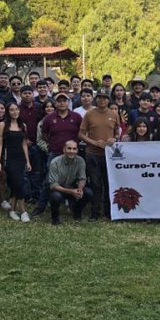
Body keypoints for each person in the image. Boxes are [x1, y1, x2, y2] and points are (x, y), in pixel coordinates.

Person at [32, 92, 82, 217]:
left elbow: (81, 133)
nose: (62, 103)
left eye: (64, 101)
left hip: (73, 155)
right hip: (55, 154)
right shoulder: (49, 118)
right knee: (49, 181)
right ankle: (40, 207)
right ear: (55, 103)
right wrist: (53, 144)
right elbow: (44, 134)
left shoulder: (76, 117)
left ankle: (73, 207)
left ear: (68, 102)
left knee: (74, 180)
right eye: (59, 101)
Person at [79, 88, 120, 221]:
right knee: (96, 184)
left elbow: (118, 132)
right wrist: (94, 143)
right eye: (100, 97)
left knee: (109, 183)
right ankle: (95, 212)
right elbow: (80, 134)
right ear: (96, 99)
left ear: (108, 100)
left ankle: (109, 212)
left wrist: (114, 139)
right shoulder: (89, 114)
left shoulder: (114, 114)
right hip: (92, 154)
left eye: (105, 98)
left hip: (109, 155)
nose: (102, 100)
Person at [0, 103, 32, 223]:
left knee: (17, 184)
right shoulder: (2, 124)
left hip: (20, 158)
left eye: (16, 109)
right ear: (8, 111)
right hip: (8, 159)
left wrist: (27, 161)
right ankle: (23, 211)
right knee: (18, 184)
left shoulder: (23, 125)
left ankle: (12, 210)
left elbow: (24, 144)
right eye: (11, 110)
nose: (14, 112)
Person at [48, 140, 92, 225]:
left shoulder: (81, 161)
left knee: (88, 193)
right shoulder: (55, 162)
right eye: (69, 148)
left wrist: (80, 189)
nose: (71, 151)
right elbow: (53, 185)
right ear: (64, 149)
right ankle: (55, 217)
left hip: (73, 187)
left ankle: (76, 211)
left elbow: (82, 178)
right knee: (55, 196)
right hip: (59, 189)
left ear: (77, 150)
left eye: (74, 149)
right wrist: (71, 191)